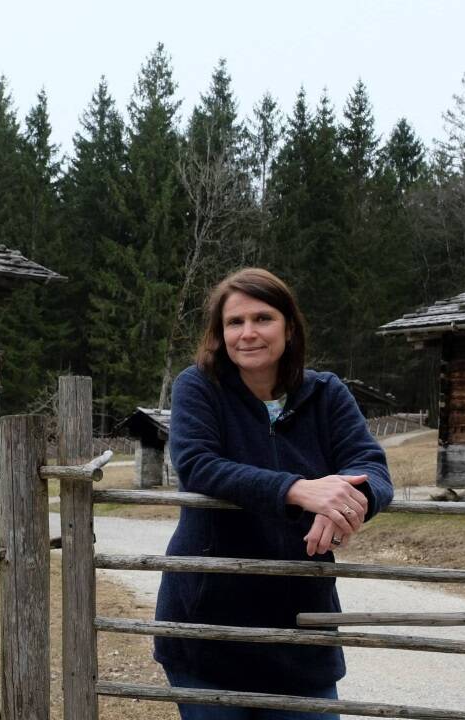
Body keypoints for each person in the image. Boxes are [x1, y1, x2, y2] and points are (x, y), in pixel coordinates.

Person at [154, 267, 393, 720]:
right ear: (219, 333)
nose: (247, 333)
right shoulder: (199, 387)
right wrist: (300, 491)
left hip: (301, 625)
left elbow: (372, 468)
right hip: (208, 622)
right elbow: (198, 464)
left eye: (262, 318)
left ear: (289, 326)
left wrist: (342, 505)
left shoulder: (326, 393)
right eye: (234, 322)